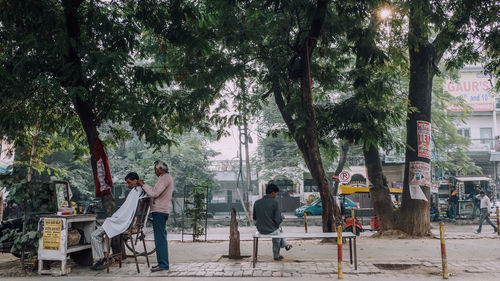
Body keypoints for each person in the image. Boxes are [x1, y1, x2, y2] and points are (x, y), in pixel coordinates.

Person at [91, 172, 146, 270]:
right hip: (123, 221)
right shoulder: (139, 191)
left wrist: (115, 218)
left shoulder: (136, 191)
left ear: (135, 181)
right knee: (102, 235)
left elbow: (127, 212)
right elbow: (128, 209)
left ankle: (101, 259)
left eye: (129, 182)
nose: (127, 185)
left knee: (94, 235)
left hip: (121, 222)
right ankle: (105, 257)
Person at [138, 160, 174, 272]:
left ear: (160, 169)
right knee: (160, 238)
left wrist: (143, 185)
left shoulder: (165, 178)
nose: (155, 171)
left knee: (160, 239)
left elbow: (154, 193)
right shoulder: (164, 178)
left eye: (155, 169)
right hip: (160, 210)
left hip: (160, 211)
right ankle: (162, 263)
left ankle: (163, 264)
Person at [252, 183, 292, 261]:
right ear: (273, 193)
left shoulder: (257, 202)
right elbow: (277, 219)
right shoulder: (275, 202)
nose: (276, 195)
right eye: (276, 193)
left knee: (279, 230)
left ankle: (286, 245)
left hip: (260, 230)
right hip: (271, 230)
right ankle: (276, 255)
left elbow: (254, 217)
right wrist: (281, 218)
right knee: (278, 232)